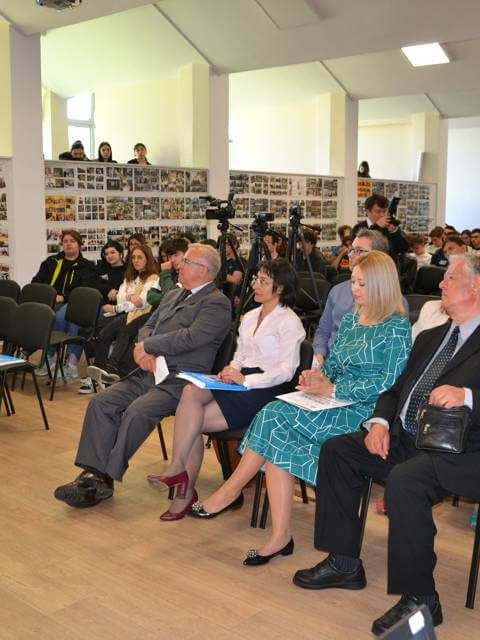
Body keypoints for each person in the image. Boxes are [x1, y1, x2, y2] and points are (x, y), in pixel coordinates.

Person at [292, 253, 480, 636]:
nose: (440, 284)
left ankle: (422, 598)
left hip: (463, 450)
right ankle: (345, 563)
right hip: (408, 437)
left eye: (450, 278)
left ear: (475, 286)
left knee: (406, 482)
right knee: (339, 451)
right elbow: (394, 390)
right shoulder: (430, 337)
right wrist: (378, 423)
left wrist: (468, 396)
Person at [191, 251, 411, 566]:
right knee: (276, 421)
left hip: (364, 411)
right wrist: (317, 376)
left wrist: (333, 388)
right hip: (333, 400)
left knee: (275, 420)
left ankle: (232, 493)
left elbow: (390, 383)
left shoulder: (396, 327)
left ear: (381, 285)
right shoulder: (352, 319)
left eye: (361, 283)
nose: (353, 289)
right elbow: (334, 365)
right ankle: (278, 534)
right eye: (353, 281)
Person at [54, 244, 232, 509]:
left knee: (137, 411)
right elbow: (148, 324)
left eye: (186, 262)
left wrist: (149, 346)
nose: (178, 266)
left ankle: (101, 477)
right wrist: (143, 349)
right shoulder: (174, 294)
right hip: (148, 371)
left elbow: (192, 338)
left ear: (204, 269)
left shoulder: (217, 302)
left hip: (180, 380)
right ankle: (95, 475)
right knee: (101, 403)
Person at [147, 259, 305, 521]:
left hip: (266, 388)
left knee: (191, 423)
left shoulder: (289, 322)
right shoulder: (251, 316)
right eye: (256, 279)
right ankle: (178, 471)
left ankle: (183, 490)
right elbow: (240, 356)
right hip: (240, 380)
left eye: (263, 281)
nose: (255, 285)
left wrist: (246, 381)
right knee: (190, 392)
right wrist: (230, 370)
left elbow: (286, 372)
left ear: (280, 288)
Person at [85, 244, 159, 387]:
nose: (136, 260)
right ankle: (99, 372)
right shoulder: (130, 276)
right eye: (133, 258)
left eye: (140, 257)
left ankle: (111, 369)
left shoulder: (153, 278)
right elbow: (121, 298)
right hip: (129, 313)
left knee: (124, 333)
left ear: (147, 259)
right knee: (104, 334)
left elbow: (141, 303)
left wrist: (125, 300)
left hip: (145, 315)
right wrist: (129, 298)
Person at [313, 228, 390, 364]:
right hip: (330, 363)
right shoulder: (337, 291)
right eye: (351, 250)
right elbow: (323, 332)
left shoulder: (392, 301)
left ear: (378, 256)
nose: (350, 255)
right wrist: (319, 357)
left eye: (358, 250)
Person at [32, 229, 96, 379]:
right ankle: (45, 358)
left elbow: (83, 289)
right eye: (65, 241)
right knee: (41, 314)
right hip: (50, 301)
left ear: (79, 245)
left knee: (63, 317)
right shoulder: (51, 262)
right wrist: (51, 295)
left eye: (72, 241)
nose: (68, 244)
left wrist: (64, 297)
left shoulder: (87, 266)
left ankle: (57, 359)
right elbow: (36, 282)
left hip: (73, 302)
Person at [352, 194, 409, 259]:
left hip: (388, 264)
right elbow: (359, 250)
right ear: (368, 212)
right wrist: (377, 226)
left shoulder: (387, 227)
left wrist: (394, 232)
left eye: (384, 211)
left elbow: (404, 249)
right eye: (378, 211)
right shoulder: (358, 228)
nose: (382, 215)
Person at [146, 237, 188, 309]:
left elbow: (172, 296)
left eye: (176, 255)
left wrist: (165, 273)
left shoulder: (188, 274)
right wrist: (166, 297)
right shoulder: (168, 272)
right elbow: (150, 296)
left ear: (186, 254)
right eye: (170, 257)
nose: (172, 260)